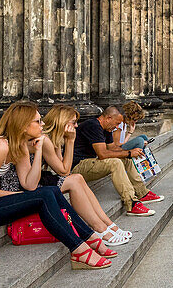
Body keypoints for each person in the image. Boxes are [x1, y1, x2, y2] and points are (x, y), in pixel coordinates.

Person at [0, 100, 114, 270]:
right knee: (44, 195)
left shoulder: (18, 144)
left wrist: (40, 150)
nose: (42, 124)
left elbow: (29, 185)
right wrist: (20, 197)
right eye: (37, 121)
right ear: (22, 126)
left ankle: (88, 237)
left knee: (50, 190)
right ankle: (79, 249)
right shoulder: (0, 146)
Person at [35, 104, 132, 245]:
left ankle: (107, 224)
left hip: (41, 178)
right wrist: (70, 141)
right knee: (75, 180)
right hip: (33, 183)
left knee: (78, 179)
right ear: (61, 121)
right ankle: (99, 228)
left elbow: (62, 168)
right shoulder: (46, 140)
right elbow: (64, 171)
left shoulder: (54, 140)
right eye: (73, 122)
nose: (76, 126)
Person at [71, 105, 162, 217]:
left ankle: (142, 193)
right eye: (117, 123)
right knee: (116, 162)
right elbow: (103, 154)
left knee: (124, 159)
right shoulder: (93, 125)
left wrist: (130, 153)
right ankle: (131, 203)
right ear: (108, 118)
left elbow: (113, 148)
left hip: (92, 162)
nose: (117, 126)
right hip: (78, 165)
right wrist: (129, 152)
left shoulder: (107, 128)